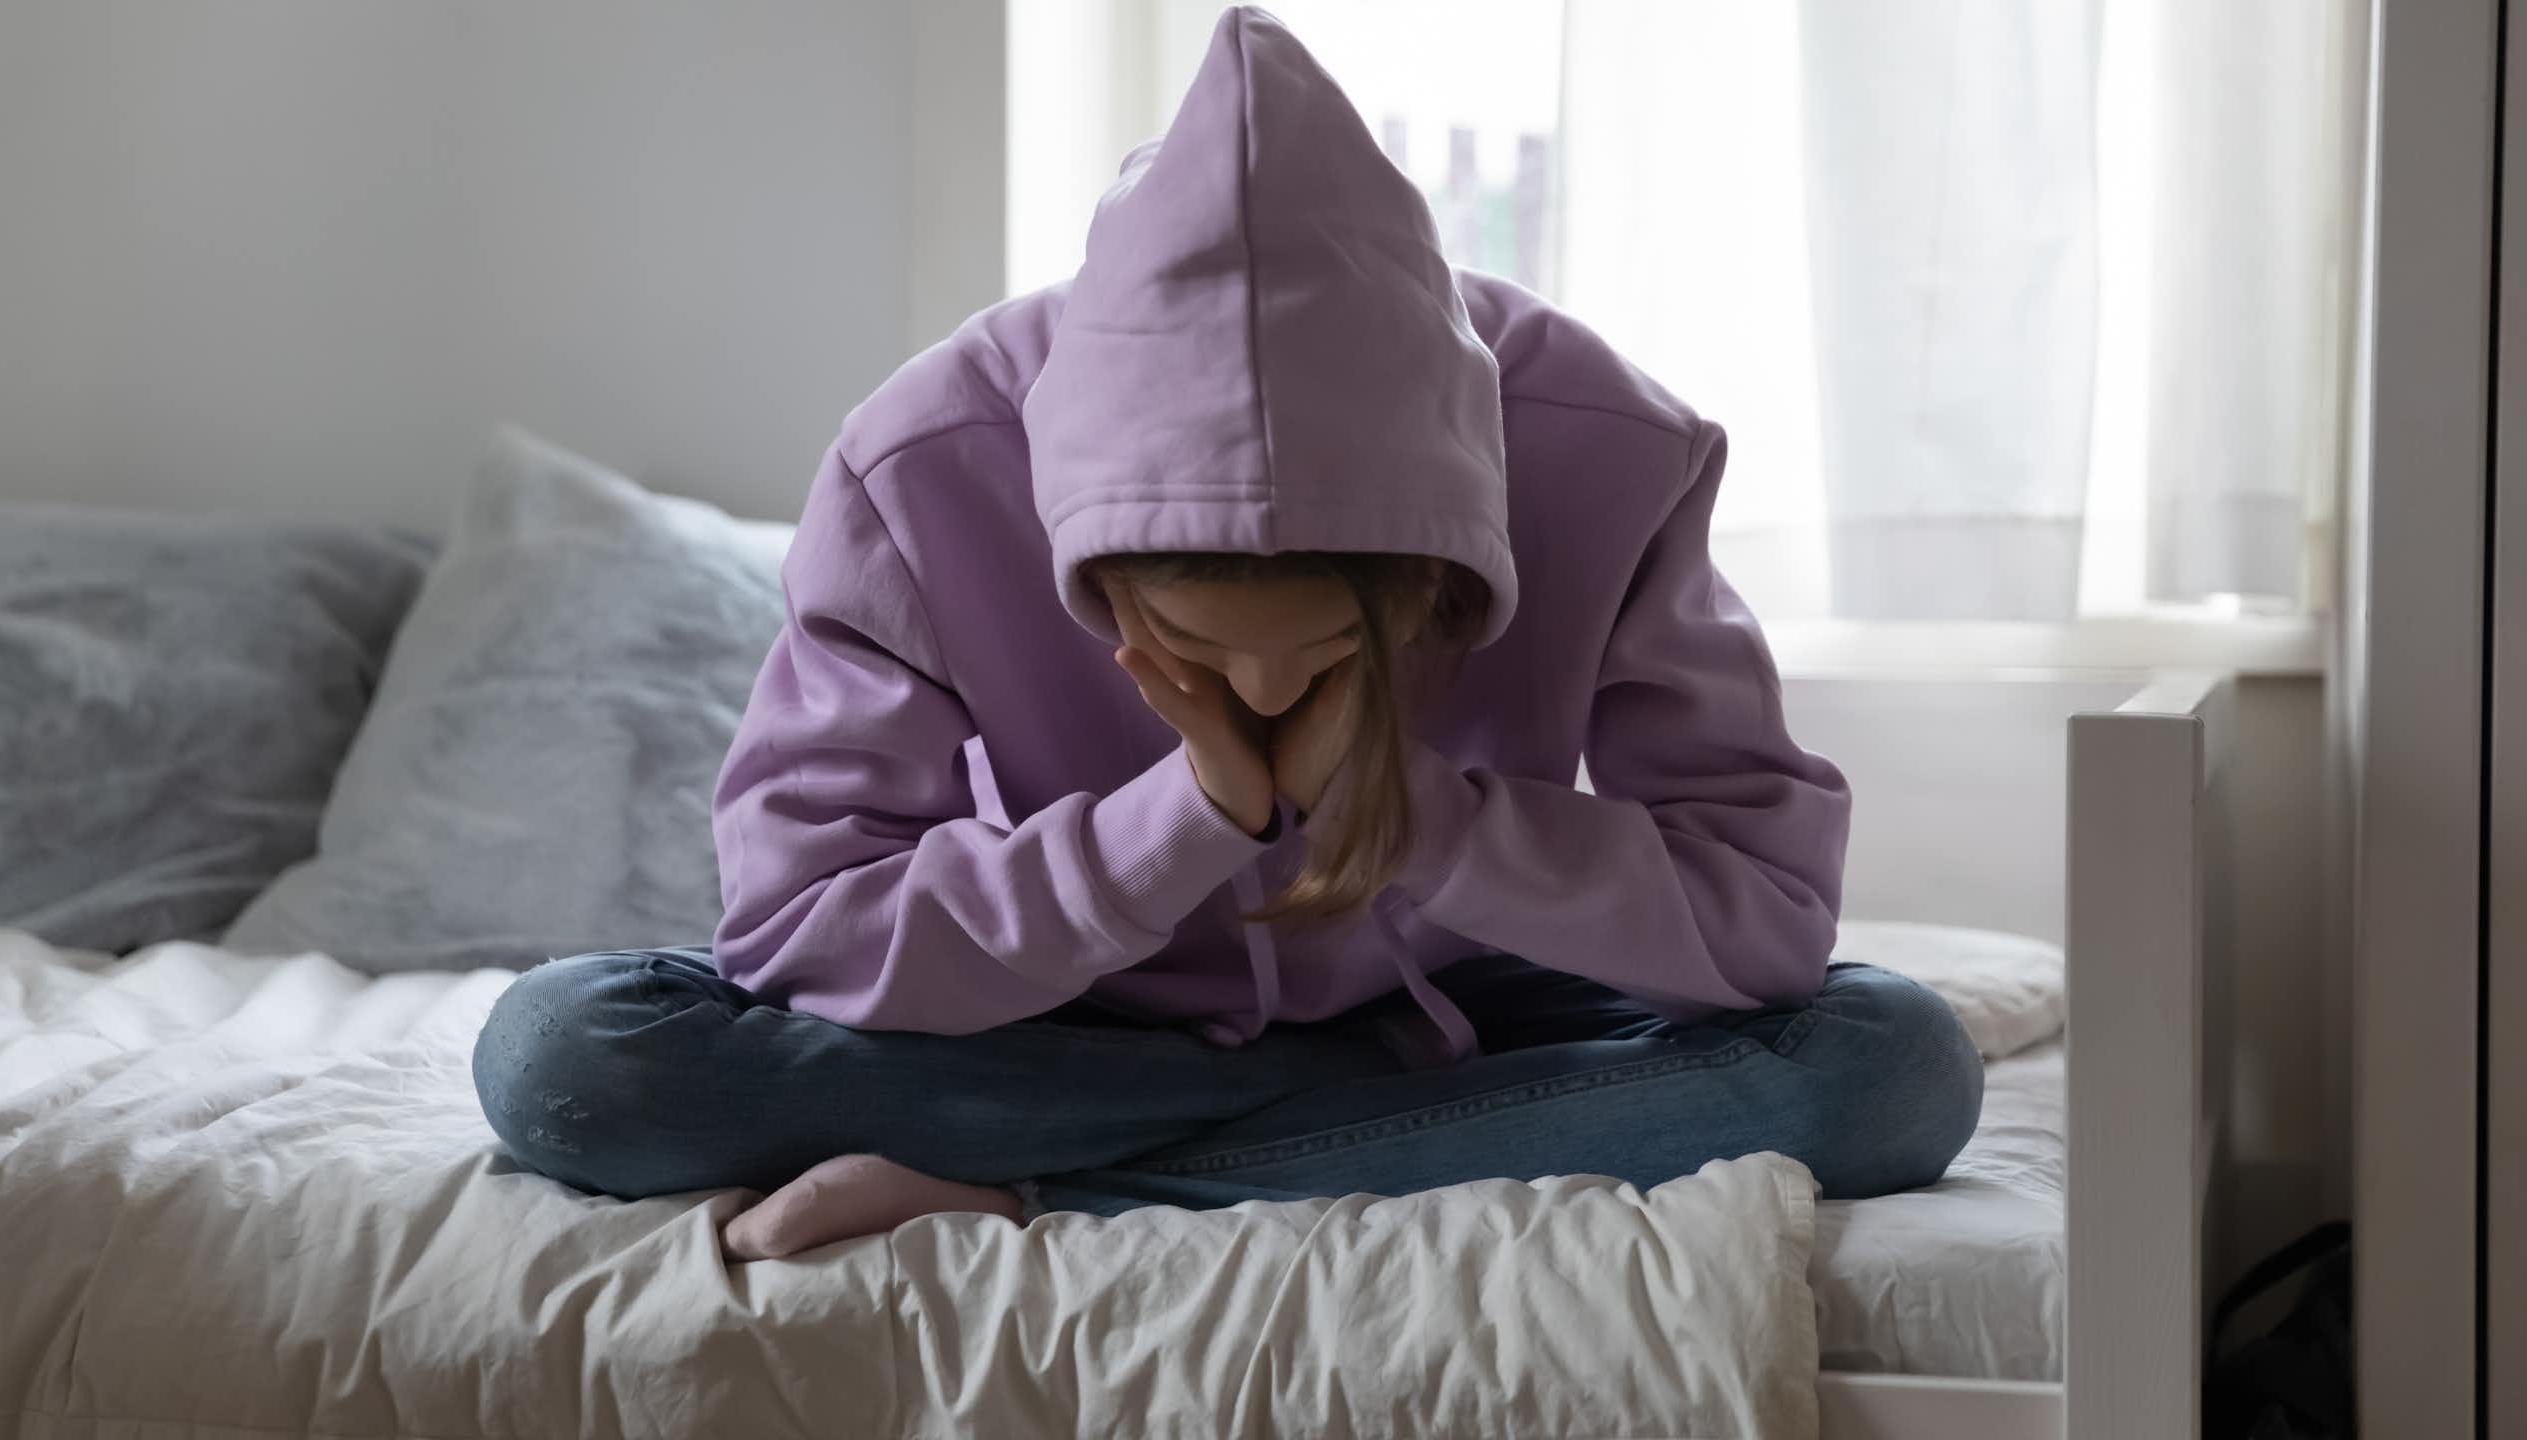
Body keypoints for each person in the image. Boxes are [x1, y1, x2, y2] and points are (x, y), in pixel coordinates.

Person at [472, 6, 1983, 1263]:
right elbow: (804, 928)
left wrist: (1429, 827)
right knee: (568, 1056)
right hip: (1069, 1020)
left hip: (1481, 998)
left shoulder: (1610, 446)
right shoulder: (923, 466)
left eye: (1330, 660)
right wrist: (1181, 820)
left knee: (1892, 1067)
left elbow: (1767, 917)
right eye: (1194, 659)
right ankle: (1373, 1136)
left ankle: (1062, 1200)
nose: (1261, 695)